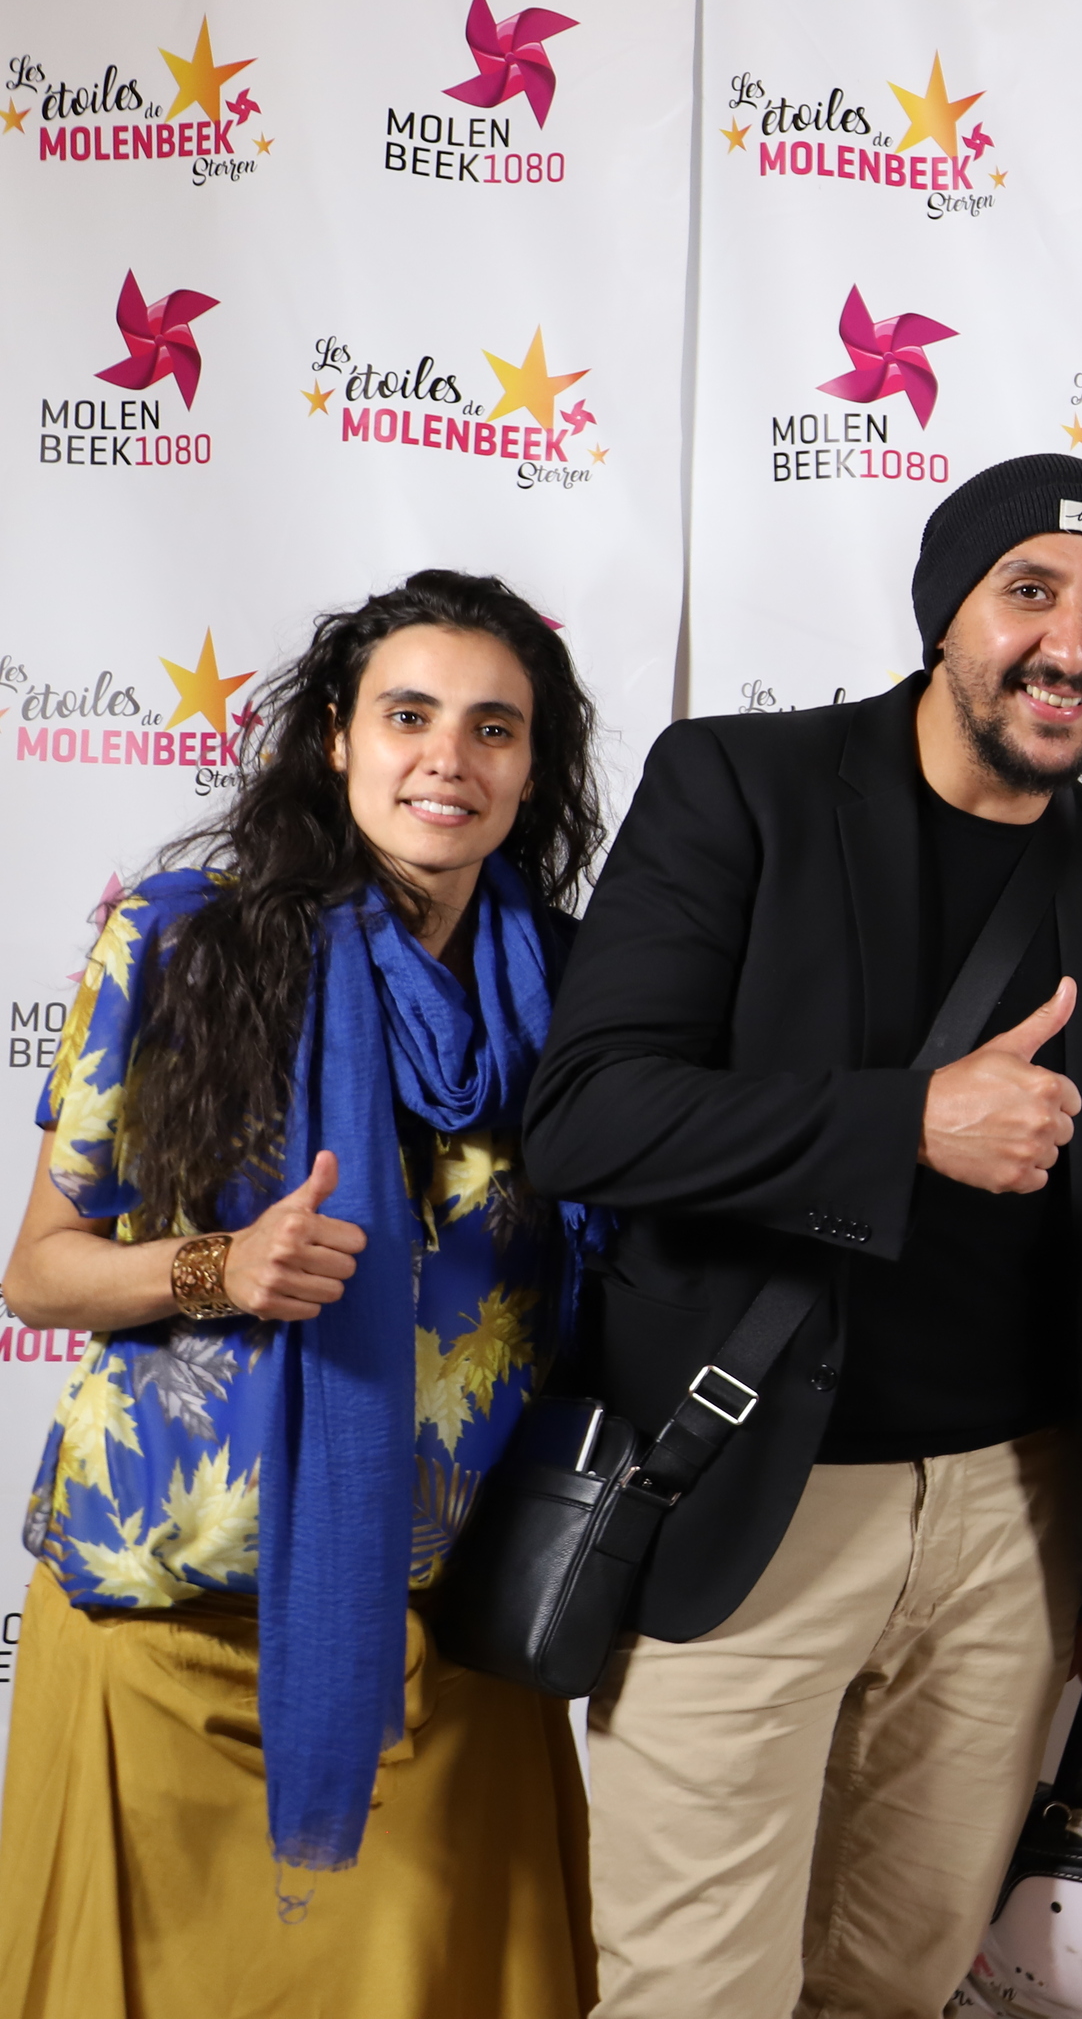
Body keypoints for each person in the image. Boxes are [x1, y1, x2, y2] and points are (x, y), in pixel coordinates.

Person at [521, 456, 1082, 2019]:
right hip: (748, 1492)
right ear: (943, 613)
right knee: (692, 1990)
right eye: (1029, 592)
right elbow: (590, 1115)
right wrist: (907, 1123)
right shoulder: (740, 784)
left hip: (1018, 1519)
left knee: (893, 1981)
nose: (1073, 642)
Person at [0, 571, 607, 2016]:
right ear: (336, 738)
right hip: (165, 1628)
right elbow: (40, 1268)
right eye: (408, 716)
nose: (447, 759)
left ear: (534, 769)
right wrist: (220, 1269)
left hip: (445, 1643)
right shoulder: (181, 943)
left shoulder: (578, 995)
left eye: (494, 728)